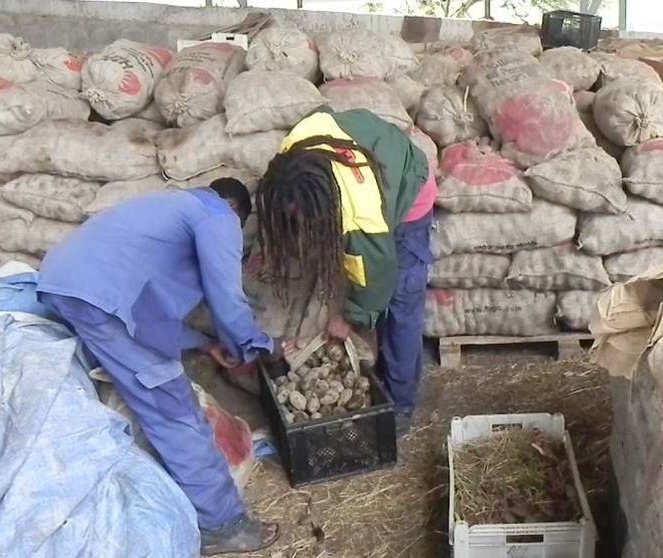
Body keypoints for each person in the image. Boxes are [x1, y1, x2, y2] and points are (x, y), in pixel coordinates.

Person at [37, 178, 279, 555]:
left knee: (152, 382)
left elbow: (147, 316)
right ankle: (223, 524)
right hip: (96, 297)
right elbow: (227, 297)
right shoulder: (217, 215)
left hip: (67, 284)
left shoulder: (162, 214)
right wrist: (256, 346)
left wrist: (204, 345)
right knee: (173, 409)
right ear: (237, 210)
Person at [256, 106, 436, 436]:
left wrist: (350, 317)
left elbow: (380, 273)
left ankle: (400, 405)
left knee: (400, 305)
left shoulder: (358, 212)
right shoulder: (291, 160)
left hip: (409, 193)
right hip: (373, 157)